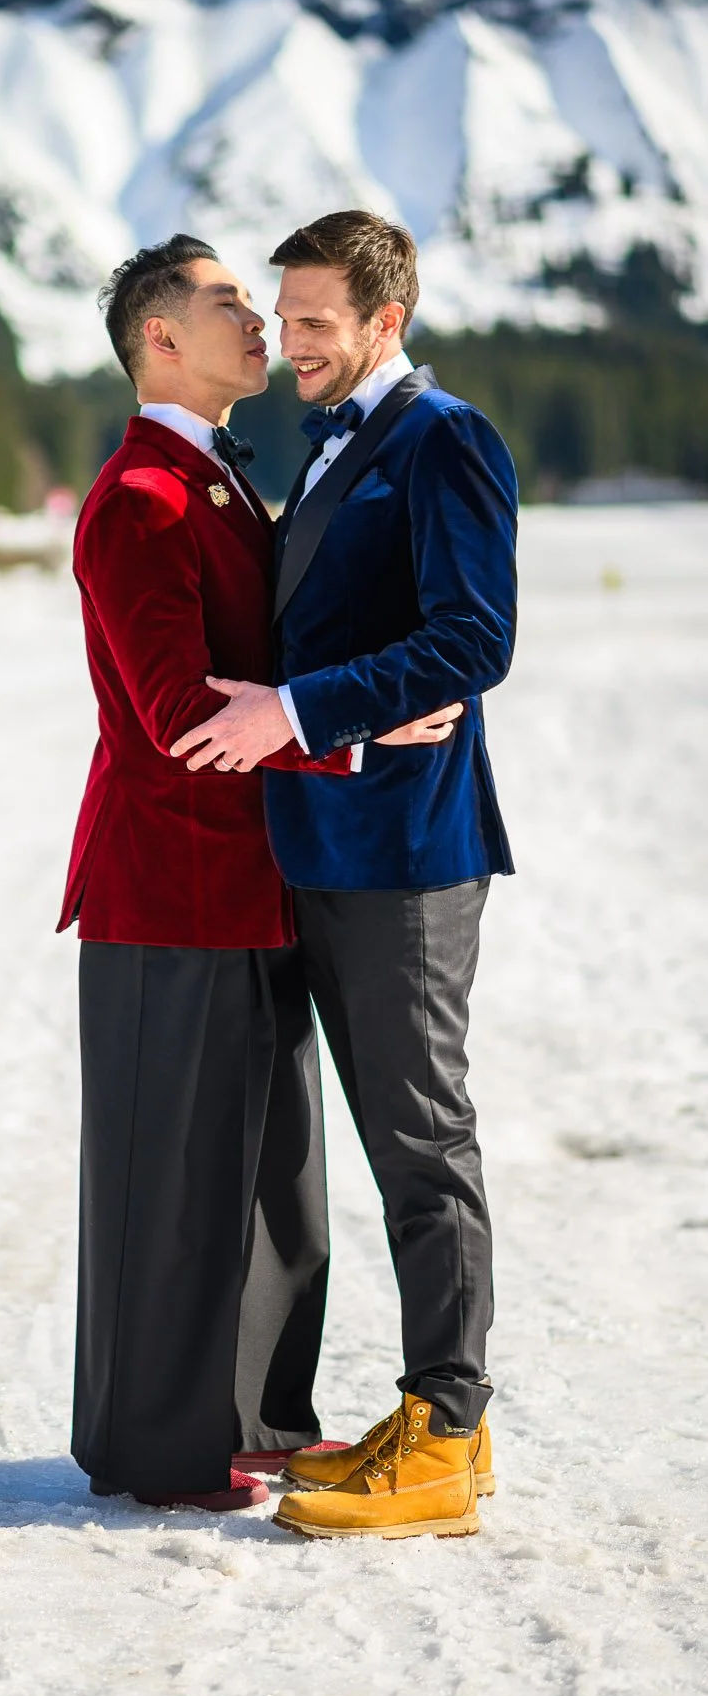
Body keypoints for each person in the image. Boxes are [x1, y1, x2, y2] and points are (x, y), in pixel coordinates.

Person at [60, 234, 453, 1511]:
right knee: (173, 1185)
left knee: (272, 1181)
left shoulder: (221, 482)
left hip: (249, 884)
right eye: (229, 300)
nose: (259, 321)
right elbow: (182, 716)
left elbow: (277, 668)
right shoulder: (139, 501)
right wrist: (349, 740)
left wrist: (357, 703)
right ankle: (162, 1451)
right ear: (159, 338)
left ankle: (264, 1421)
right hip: (167, 890)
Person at [170, 211, 517, 1540]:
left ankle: (446, 1426)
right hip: (317, 847)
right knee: (374, 1140)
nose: (292, 342)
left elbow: (473, 637)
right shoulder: (332, 444)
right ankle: (437, 1426)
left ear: (387, 318)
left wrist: (304, 710)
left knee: (422, 1139)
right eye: (286, 314)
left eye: (316, 321)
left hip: (408, 856)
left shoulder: (445, 439)